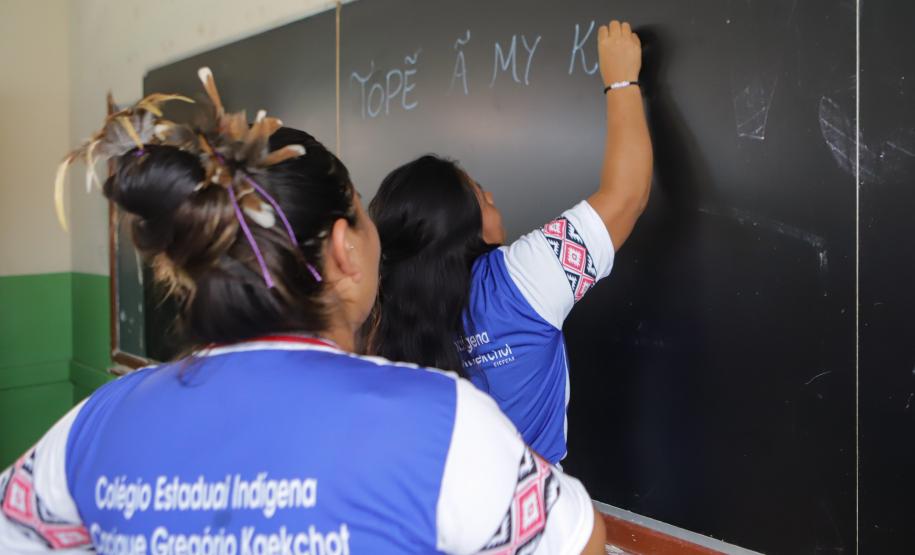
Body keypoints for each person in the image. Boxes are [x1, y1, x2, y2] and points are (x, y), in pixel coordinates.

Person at [1, 69, 607, 554]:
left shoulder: (97, 423)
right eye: (364, 215)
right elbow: (579, 541)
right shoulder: (441, 422)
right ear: (345, 249)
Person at [368, 21, 652, 465]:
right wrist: (620, 80)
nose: (493, 197)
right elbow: (627, 196)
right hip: (533, 518)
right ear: (462, 226)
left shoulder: (381, 321)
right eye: (479, 192)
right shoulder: (522, 279)